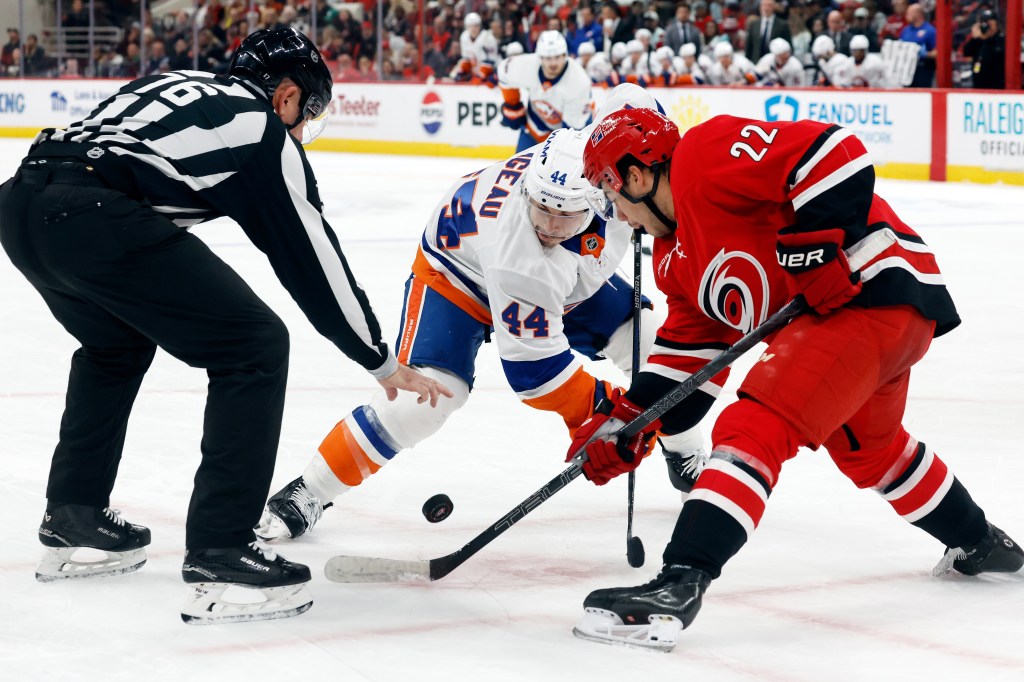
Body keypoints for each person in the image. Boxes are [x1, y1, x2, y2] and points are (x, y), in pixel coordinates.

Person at [0, 27, 450, 624]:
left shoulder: (176, 84)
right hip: (92, 215)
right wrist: (379, 359)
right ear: (286, 95)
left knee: (114, 344)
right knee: (255, 346)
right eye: (305, 113)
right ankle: (222, 547)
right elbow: (310, 260)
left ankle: (74, 515)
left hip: (20, 205)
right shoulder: (262, 129)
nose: (299, 130)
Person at [565, 108, 1024, 650]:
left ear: (636, 176)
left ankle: (680, 582)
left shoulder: (704, 155)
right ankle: (982, 544)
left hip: (864, 292)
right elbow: (686, 361)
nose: (618, 216)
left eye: (611, 197)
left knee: (754, 426)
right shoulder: (674, 260)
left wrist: (817, 246)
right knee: (869, 452)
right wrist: (629, 421)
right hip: (869, 323)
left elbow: (834, 152)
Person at [257, 85, 709, 541]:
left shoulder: (607, 155)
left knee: (652, 342)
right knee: (428, 400)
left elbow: (630, 97)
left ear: (602, 193)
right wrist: (605, 409)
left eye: (563, 215)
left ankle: (684, 448)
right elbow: (534, 373)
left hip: (564, 277)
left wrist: (642, 414)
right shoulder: (524, 255)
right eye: (540, 209)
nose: (548, 226)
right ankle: (310, 490)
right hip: (459, 275)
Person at [498, 30, 593, 152]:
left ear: (565, 55)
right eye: (548, 58)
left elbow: (573, 133)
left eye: (557, 57)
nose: (553, 63)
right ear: (540, 57)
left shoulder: (579, 82)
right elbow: (504, 71)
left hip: (566, 134)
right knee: (521, 170)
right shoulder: (527, 65)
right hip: (533, 128)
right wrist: (513, 104)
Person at [962, 9, 1005, 90]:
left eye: (990, 22)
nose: (986, 26)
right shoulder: (977, 40)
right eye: (984, 22)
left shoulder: (1001, 40)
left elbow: (998, 55)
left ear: (996, 23)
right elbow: (966, 52)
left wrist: (987, 38)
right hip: (979, 85)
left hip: (997, 85)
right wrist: (975, 38)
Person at [899, 3, 936, 87]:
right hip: (906, 69)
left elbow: (938, 52)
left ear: (918, 14)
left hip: (923, 68)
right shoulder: (906, 30)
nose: (906, 15)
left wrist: (926, 54)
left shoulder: (930, 30)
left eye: (909, 13)